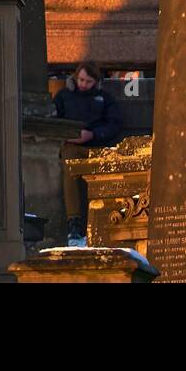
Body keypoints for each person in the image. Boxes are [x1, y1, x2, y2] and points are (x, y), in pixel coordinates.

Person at [54, 62, 123, 240]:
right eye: (81, 79)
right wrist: (68, 136)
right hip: (73, 145)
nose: (83, 84)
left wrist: (93, 134)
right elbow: (54, 121)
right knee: (70, 164)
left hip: (98, 144)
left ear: (96, 82)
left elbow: (114, 124)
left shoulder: (105, 99)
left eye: (88, 81)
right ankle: (74, 221)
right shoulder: (63, 96)